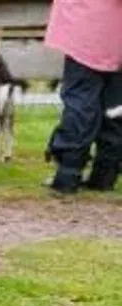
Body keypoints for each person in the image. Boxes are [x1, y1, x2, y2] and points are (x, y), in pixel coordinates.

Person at [43, 0, 121, 194]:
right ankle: (105, 175)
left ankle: (68, 173)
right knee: (114, 105)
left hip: (89, 27)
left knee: (81, 101)